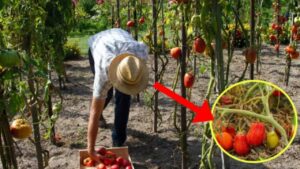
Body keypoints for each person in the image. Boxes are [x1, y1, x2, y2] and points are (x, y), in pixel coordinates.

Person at [87, 28, 149, 161]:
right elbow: (93, 111)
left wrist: (134, 80)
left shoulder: (141, 54)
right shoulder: (103, 71)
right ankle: (101, 116)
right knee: (106, 94)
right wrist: (91, 149)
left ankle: (118, 141)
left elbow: (135, 72)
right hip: (98, 44)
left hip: (120, 36)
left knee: (124, 97)